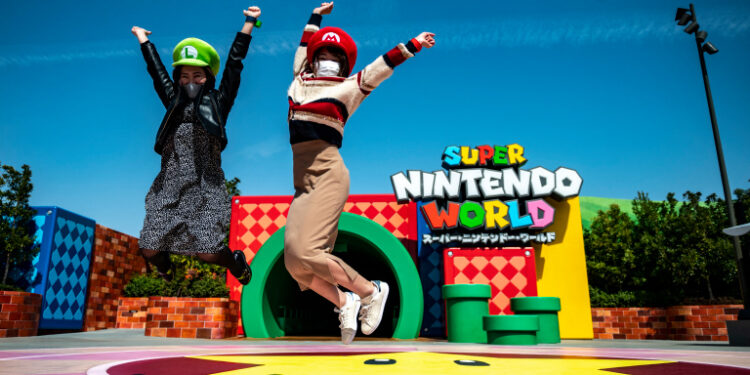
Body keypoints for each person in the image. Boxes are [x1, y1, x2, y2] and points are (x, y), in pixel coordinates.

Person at [283, 1, 435, 344]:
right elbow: (304, 44)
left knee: (309, 252)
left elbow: (379, 68)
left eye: (336, 58)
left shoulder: (348, 88)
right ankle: (345, 300)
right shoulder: (299, 80)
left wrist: (412, 45)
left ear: (343, 64)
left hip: (327, 174)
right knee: (295, 264)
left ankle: (371, 290)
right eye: (323, 54)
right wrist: (316, 16)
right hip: (302, 183)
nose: (327, 60)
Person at [131, 6, 263, 285]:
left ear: (208, 78)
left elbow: (234, 64)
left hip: (207, 184)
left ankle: (235, 262)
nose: (190, 82)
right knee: (150, 248)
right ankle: (167, 270)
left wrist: (249, 23)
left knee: (209, 253)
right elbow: (157, 73)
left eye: (198, 76)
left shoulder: (218, 103)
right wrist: (143, 39)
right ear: (178, 79)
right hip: (169, 185)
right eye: (185, 77)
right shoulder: (172, 101)